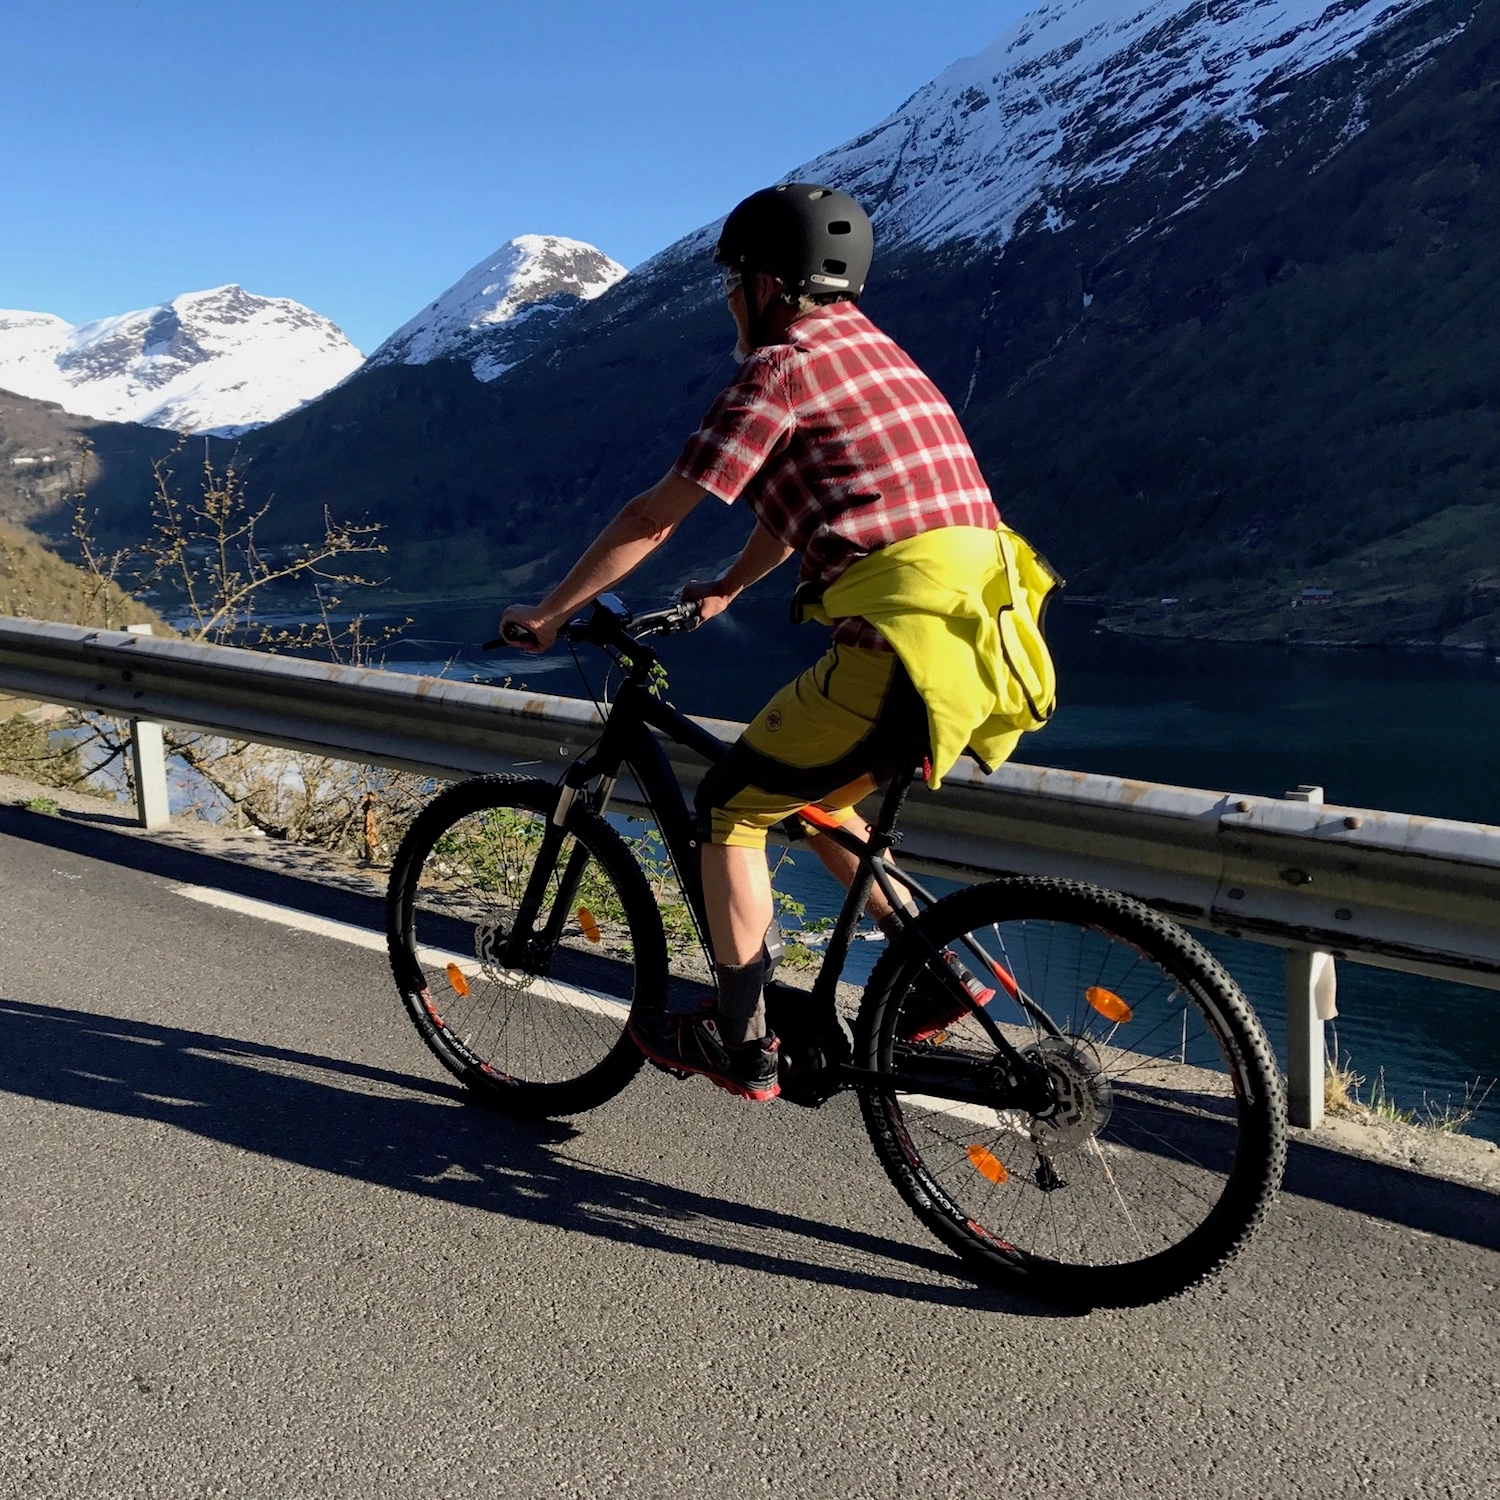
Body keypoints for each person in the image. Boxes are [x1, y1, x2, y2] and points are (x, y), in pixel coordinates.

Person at [501, 182, 1052, 1103]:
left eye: (731, 283)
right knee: (810, 800)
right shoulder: (879, 354)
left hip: (897, 647)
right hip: (987, 641)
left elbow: (656, 515)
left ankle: (740, 1039)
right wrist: (727, 588)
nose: (727, 301)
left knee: (727, 807)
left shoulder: (782, 367)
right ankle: (943, 977)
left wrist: (553, 614)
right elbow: (812, 498)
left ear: (764, 282)